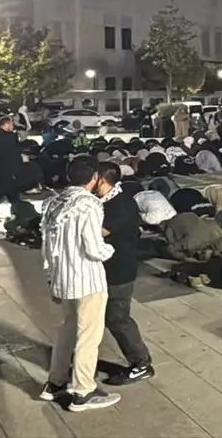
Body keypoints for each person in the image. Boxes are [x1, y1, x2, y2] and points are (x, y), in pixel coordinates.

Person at [39, 159, 121, 411]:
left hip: (62, 278)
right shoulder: (89, 204)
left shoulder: (53, 203)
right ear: (95, 177)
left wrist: (52, 278)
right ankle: (84, 391)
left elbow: (47, 245)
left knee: (66, 330)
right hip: (87, 280)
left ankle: (55, 382)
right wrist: (110, 250)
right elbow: (93, 247)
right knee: (88, 336)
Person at [94, 163, 154, 385]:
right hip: (106, 267)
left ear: (101, 179)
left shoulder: (121, 204)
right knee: (104, 316)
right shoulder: (105, 201)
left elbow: (98, 233)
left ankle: (141, 363)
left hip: (119, 270)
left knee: (117, 317)